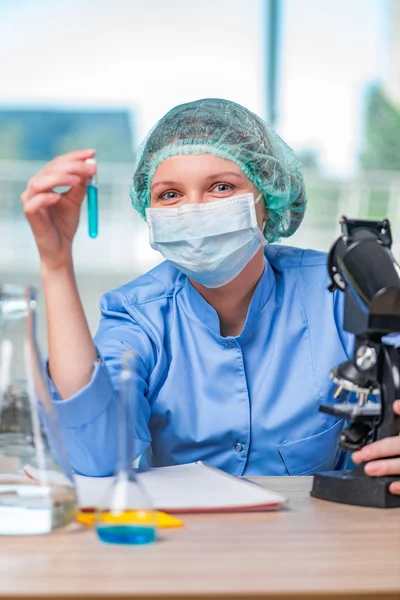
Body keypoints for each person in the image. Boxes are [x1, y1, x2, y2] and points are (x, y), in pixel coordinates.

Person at [21, 98, 400, 493]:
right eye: (170, 195)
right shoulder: (137, 315)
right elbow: (95, 457)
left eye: (221, 187)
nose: (194, 211)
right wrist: (56, 262)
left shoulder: (338, 290)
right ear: (149, 212)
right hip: (181, 545)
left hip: (326, 541)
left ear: (268, 200)